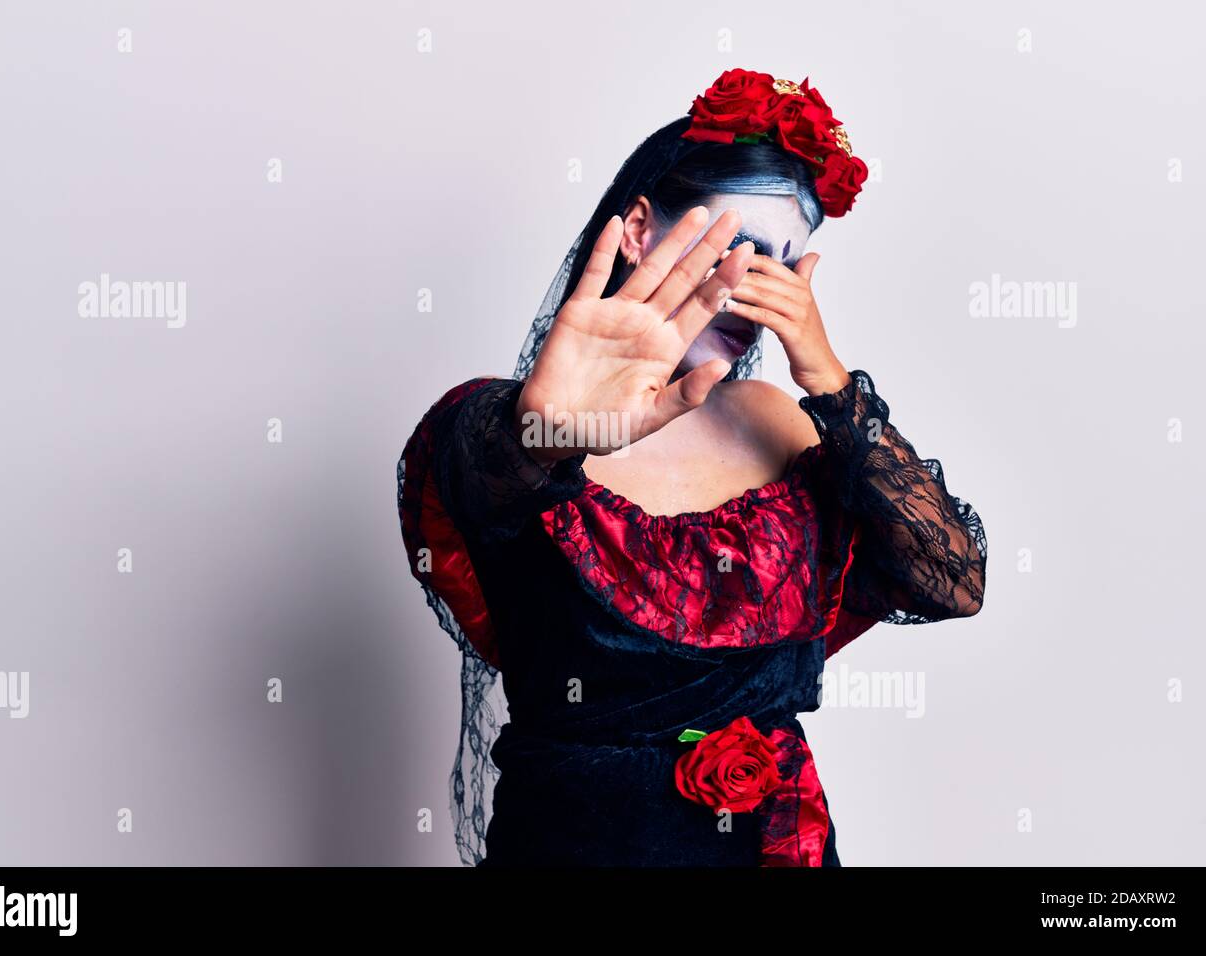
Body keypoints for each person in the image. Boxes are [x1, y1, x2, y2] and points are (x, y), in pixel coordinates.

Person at [397, 68, 987, 866]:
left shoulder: (780, 423)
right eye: (739, 249)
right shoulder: (502, 432)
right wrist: (547, 429)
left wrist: (827, 380)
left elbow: (952, 582)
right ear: (639, 228)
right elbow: (487, 471)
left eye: (786, 264)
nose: (754, 293)